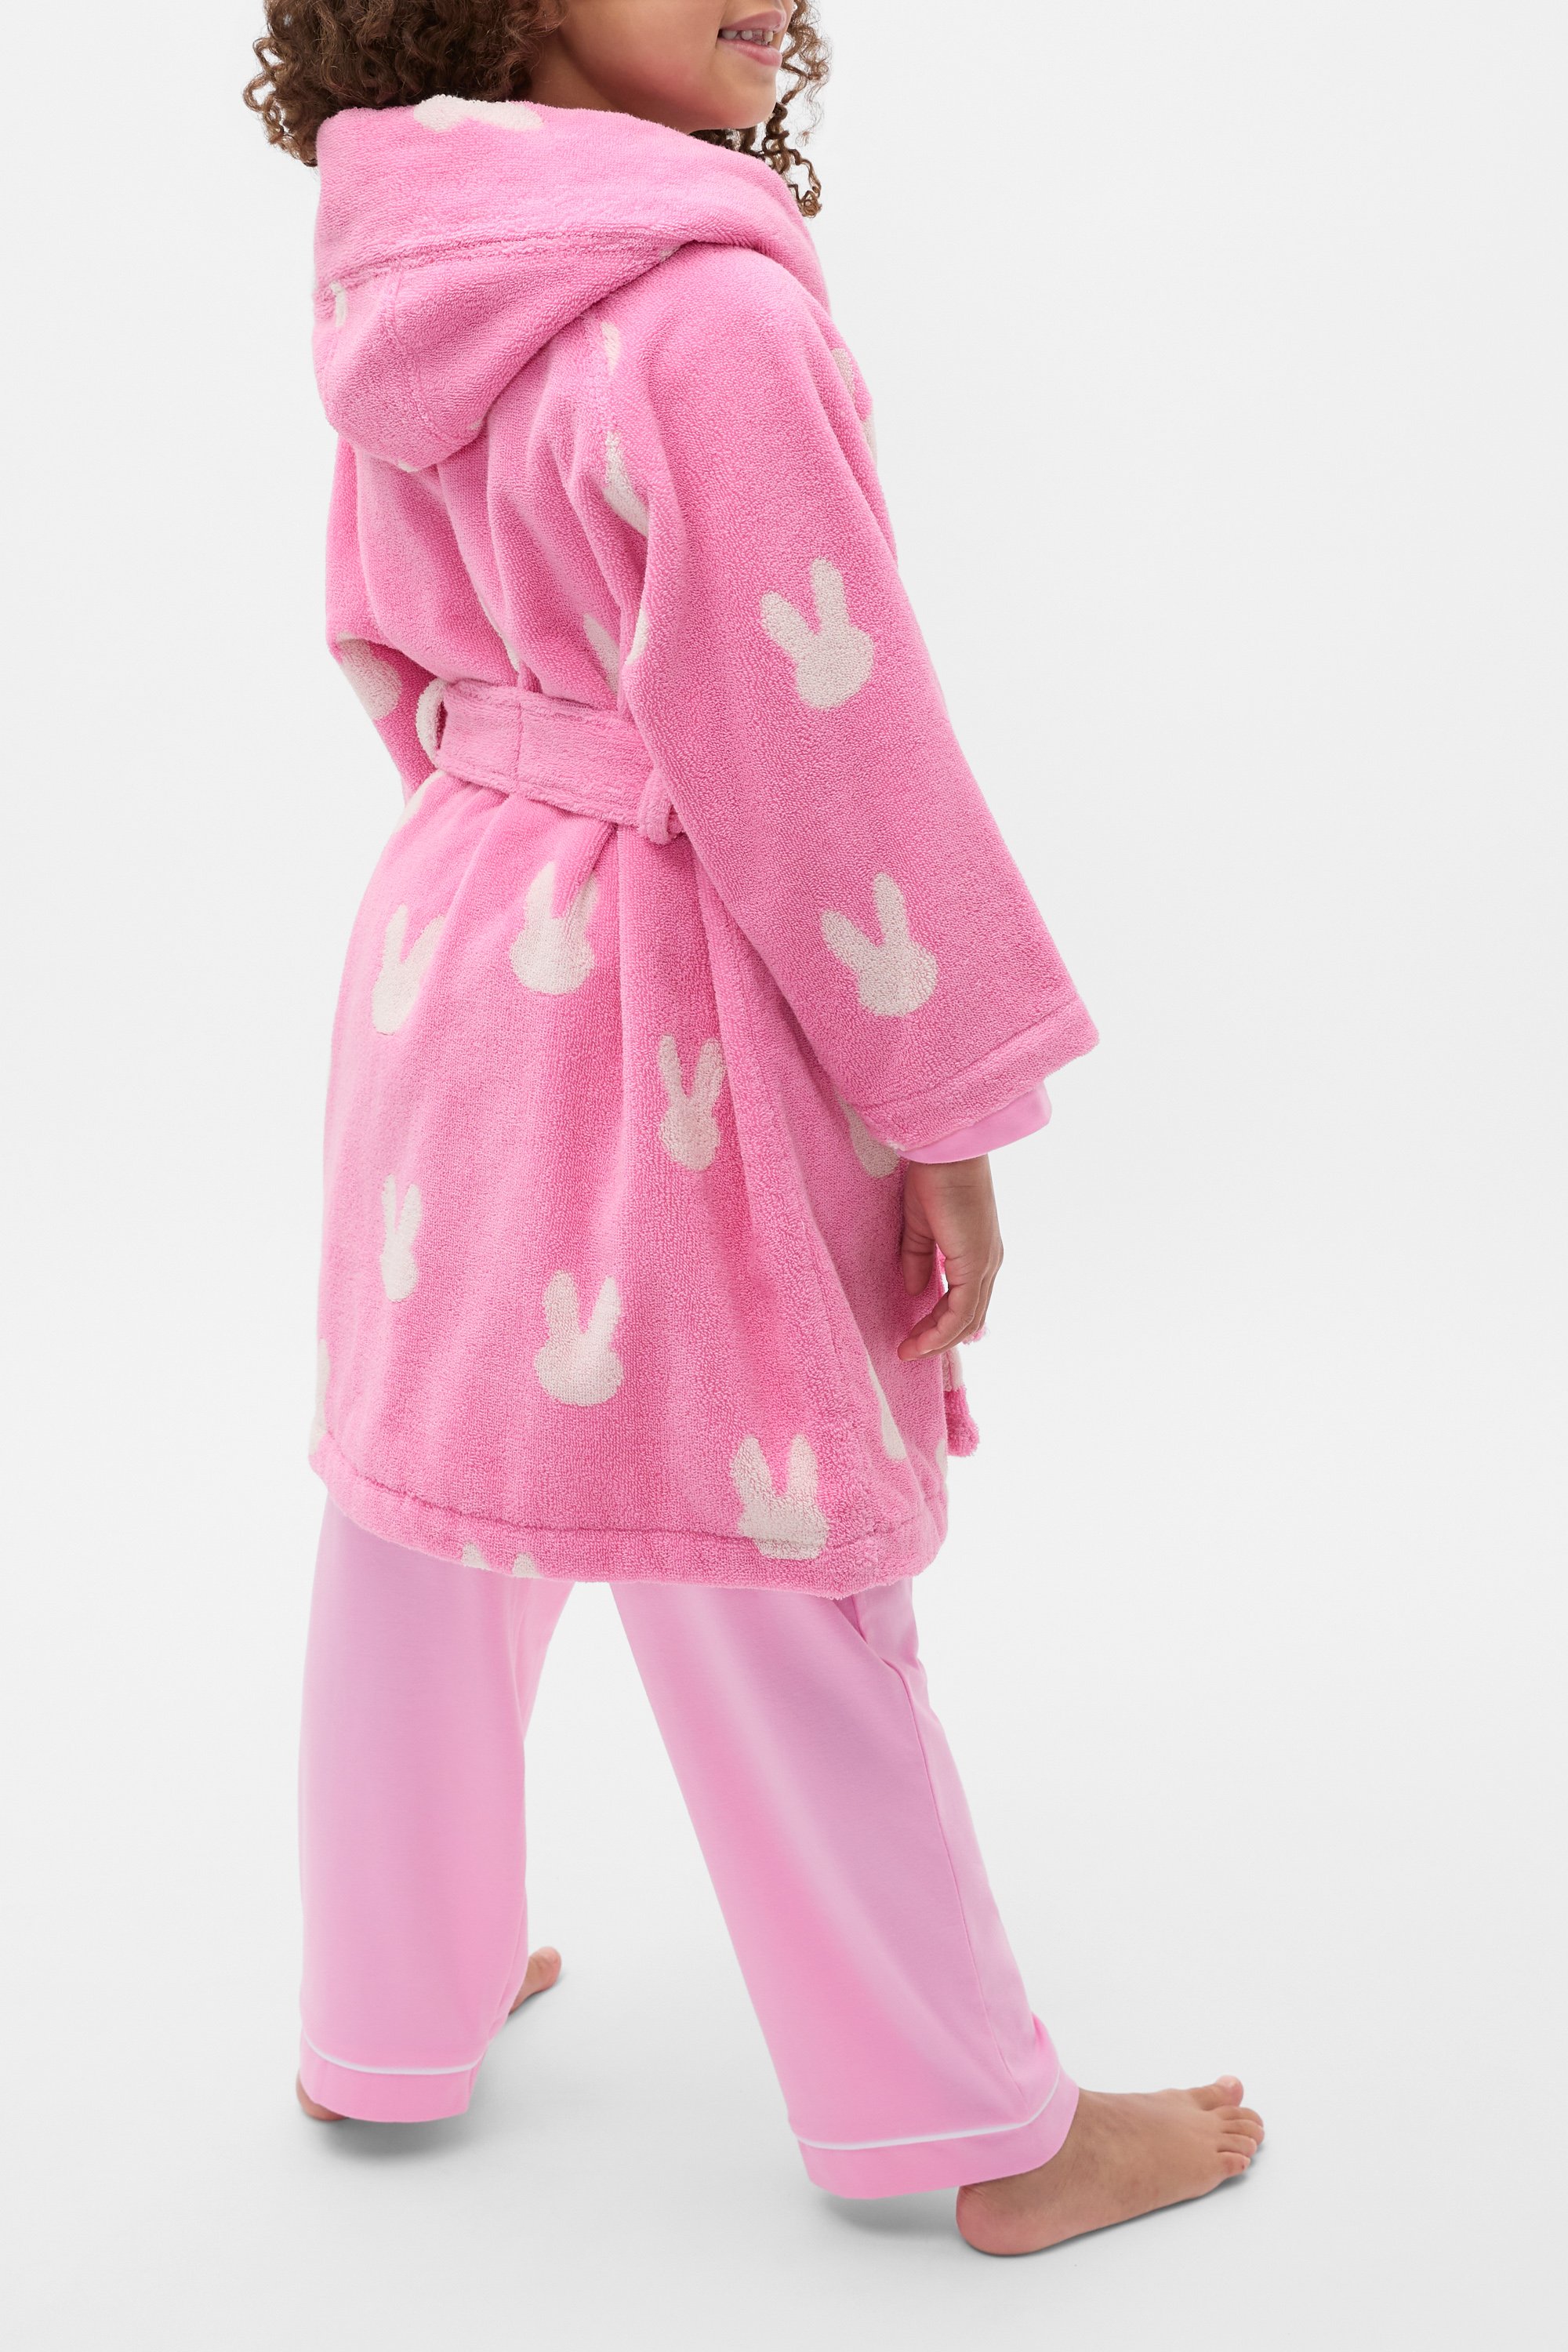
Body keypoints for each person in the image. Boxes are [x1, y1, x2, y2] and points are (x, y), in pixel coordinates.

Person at [245, 0, 1264, 2256]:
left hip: (448, 932)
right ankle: (972, 2126)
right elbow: (829, 740)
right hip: (658, 962)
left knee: (431, 1496)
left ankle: (384, 2015)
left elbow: (377, 638)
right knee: (770, 1517)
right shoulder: (705, 312)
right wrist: (939, 1099)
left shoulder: (414, 276)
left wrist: (507, 831)